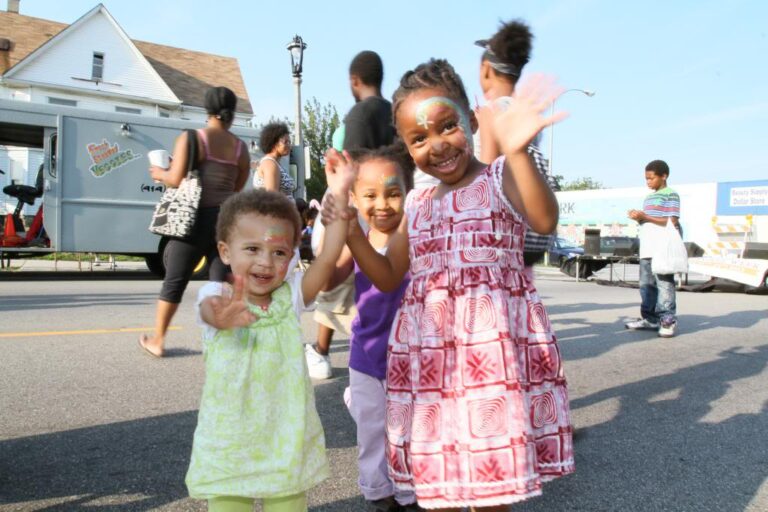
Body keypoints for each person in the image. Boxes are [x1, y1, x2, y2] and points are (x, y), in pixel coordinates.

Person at [327, 59, 574, 511]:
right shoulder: (417, 203)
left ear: (473, 120)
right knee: (437, 476)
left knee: (489, 484)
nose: (437, 145)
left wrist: (517, 151)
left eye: (448, 127)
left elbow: (544, 218)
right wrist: (351, 229)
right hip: (432, 365)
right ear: (405, 145)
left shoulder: (501, 178)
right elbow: (386, 275)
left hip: (488, 361)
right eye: (419, 138)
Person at [184, 153, 354, 512]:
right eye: (252, 249)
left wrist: (338, 190)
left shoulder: (290, 295)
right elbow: (208, 310)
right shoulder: (218, 295)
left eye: (279, 252)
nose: (265, 261)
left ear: (292, 256)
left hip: (284, 439)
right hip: (230, 442)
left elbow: (328, 257)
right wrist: (221, 317)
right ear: (225, 252)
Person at [324, 145, 419, 512]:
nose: (383, 204)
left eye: (393, 193)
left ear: (408, 195)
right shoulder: (359, 231)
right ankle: (380, 494)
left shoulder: (408, 233)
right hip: (365, 355)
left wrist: (351, 235)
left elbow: (387, 280)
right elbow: (331, 277)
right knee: (371, 432)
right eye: (371, 195)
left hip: (409, 360)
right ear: (355, 198)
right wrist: (337, 227)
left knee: (405, 432)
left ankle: (410, 494)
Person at [139, 86, 250, 358]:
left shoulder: (192, 138)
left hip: (193, 219)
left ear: (207, 109)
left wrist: (159, 173)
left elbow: (175, 179)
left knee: (175, 281)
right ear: (233, 112)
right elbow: (236, 186)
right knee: (219, 282)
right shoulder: (240, 148)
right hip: (225, 222)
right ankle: (225, 341)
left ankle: (158, 340)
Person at [305, 50, 396, 380]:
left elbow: (353, 172)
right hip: (392, 213)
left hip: (361, 209)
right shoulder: (394, 114)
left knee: (337, 280)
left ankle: (322, 352)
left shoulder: (359, 115)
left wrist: (344, 211)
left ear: (354, 81)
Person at [474, 19, 560, 268]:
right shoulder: (525, 112)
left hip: (508, 226)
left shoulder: (491, 113)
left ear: (486, 69)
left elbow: (488, 170)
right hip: (536, 227)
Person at [626, 159, 681, 338]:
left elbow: (672, 221)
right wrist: (638, 217)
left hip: (662, 245)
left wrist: (646, 216)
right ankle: (650, 318)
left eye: (651, 178)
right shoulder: (649, 197)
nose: (648, 182)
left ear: (663, 176)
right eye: (646, 179)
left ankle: (667, 319)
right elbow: (648, 220)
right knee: (646, 283)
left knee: (664, 282)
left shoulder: (671, 195)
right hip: (648, 245)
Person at [254, 121, 296, 195]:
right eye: (285, 142)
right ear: (274, 143)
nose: (289, 145)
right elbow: (272, 198)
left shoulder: (275, 163)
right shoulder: (270, 164)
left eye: (289, 142)